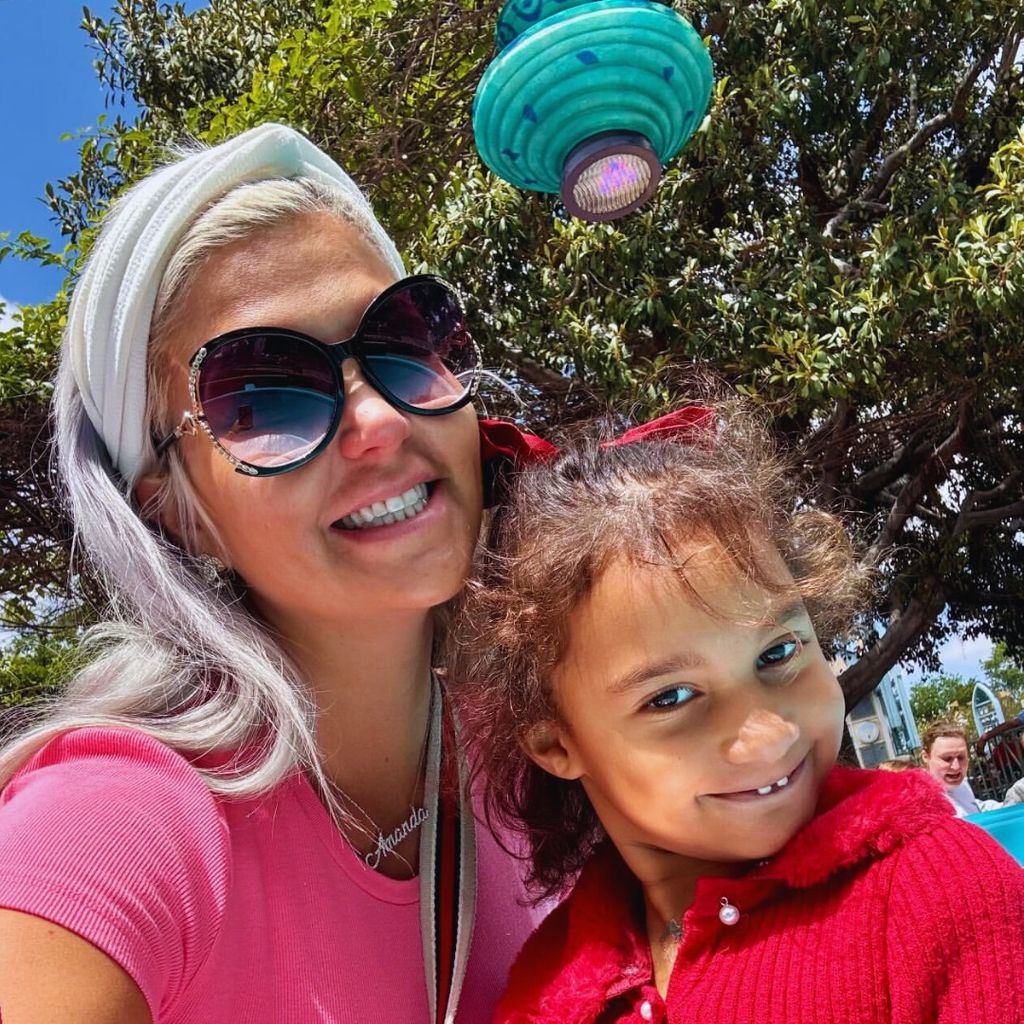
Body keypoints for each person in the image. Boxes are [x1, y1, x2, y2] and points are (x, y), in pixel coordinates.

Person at [0, 123, 542, 1023]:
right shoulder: (118, 823)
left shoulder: (554, 729)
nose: (379, 422)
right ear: (178, 513)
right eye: (264, 395)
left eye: (404, 339)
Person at [451, 409, 1024, 1024]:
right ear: (555, 744)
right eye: (671, 698)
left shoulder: (938, 892)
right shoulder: (546, 990)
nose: (768, 738)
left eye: (778, 654)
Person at [920, 721, 1003, 816]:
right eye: (947, 759)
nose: (956, 767)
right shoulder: (920, 802)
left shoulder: (961, 783)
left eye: (961, 757)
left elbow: (972, 808)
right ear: (926, 757)